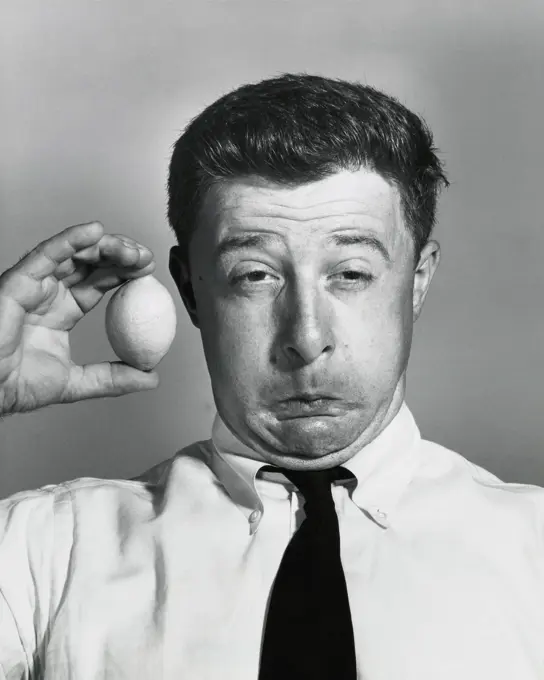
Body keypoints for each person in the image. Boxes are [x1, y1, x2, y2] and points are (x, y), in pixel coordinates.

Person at [0, 73, 543, 680]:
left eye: (352, 273)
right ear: (190, 290)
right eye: (255, 276)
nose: (307, 338)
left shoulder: (535, 554)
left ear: (416, 280)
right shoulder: (41, 553)